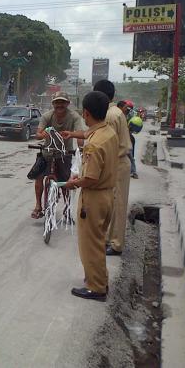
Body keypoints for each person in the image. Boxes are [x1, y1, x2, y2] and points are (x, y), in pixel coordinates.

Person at [64, 91, 118, 301]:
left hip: (94, 197)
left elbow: (91, 178)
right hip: (107, 195)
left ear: (86, 113)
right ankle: (100, 281)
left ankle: (96, 288)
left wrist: (72, 183)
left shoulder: (95, 144)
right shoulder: (107, 132)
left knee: (90, 244)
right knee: (98, 241)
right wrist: (71, 134)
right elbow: (88, 134)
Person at [31, 92, 84, 219]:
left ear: (67, 103)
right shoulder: (47, 116)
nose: (59, 105)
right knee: (38, 177)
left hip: (64, 153)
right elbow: (38, 134)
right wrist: (43, 134)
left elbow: (80, 134)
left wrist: (80, 148)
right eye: (57, 102)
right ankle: (38, 206)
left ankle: (67, 208)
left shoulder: (74, 117)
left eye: (62, 102)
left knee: (65, 182)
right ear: (53, 104)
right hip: (47, 152)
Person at [93, 80, 131, 256]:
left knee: (117, 204)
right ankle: (110, 239)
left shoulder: (109, 115)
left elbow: (105, 143)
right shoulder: (116, 112)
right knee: (115, 203)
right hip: (119, 162)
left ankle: (116, 244)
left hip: (116, 162)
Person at [117, 100, 138, 179]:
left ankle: (133, 171)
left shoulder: (130, 115)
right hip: (123, 137)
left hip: (128, 137)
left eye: (128, 108)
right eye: (126, 108)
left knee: (130, 154)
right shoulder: (118, 115)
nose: (127, 109)